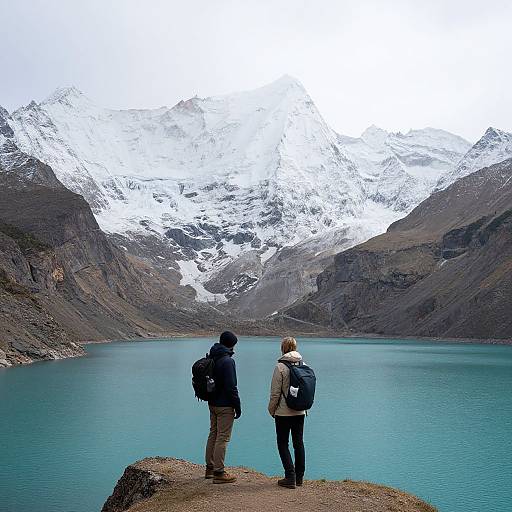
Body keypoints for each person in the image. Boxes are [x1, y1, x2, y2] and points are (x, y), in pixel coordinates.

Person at [268, 336, 306, 489]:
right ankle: (299, 477)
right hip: (300, 411)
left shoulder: (280, 367)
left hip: (283, 412)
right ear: (295, 347)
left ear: (283, 348)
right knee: (299, 443)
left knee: (283, 443)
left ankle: (289, 476)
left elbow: (275, 394)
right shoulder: (304, 364)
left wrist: (272, 410)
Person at [205, 331, 241, 484]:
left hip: (212, 403)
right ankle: (219, 473)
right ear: (231, 344)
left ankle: (210, 469)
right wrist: (237, 406)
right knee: (223, 438)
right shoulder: (227, 361)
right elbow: (231, 387)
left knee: (213, 433)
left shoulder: (213, 356)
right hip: (225, 405)